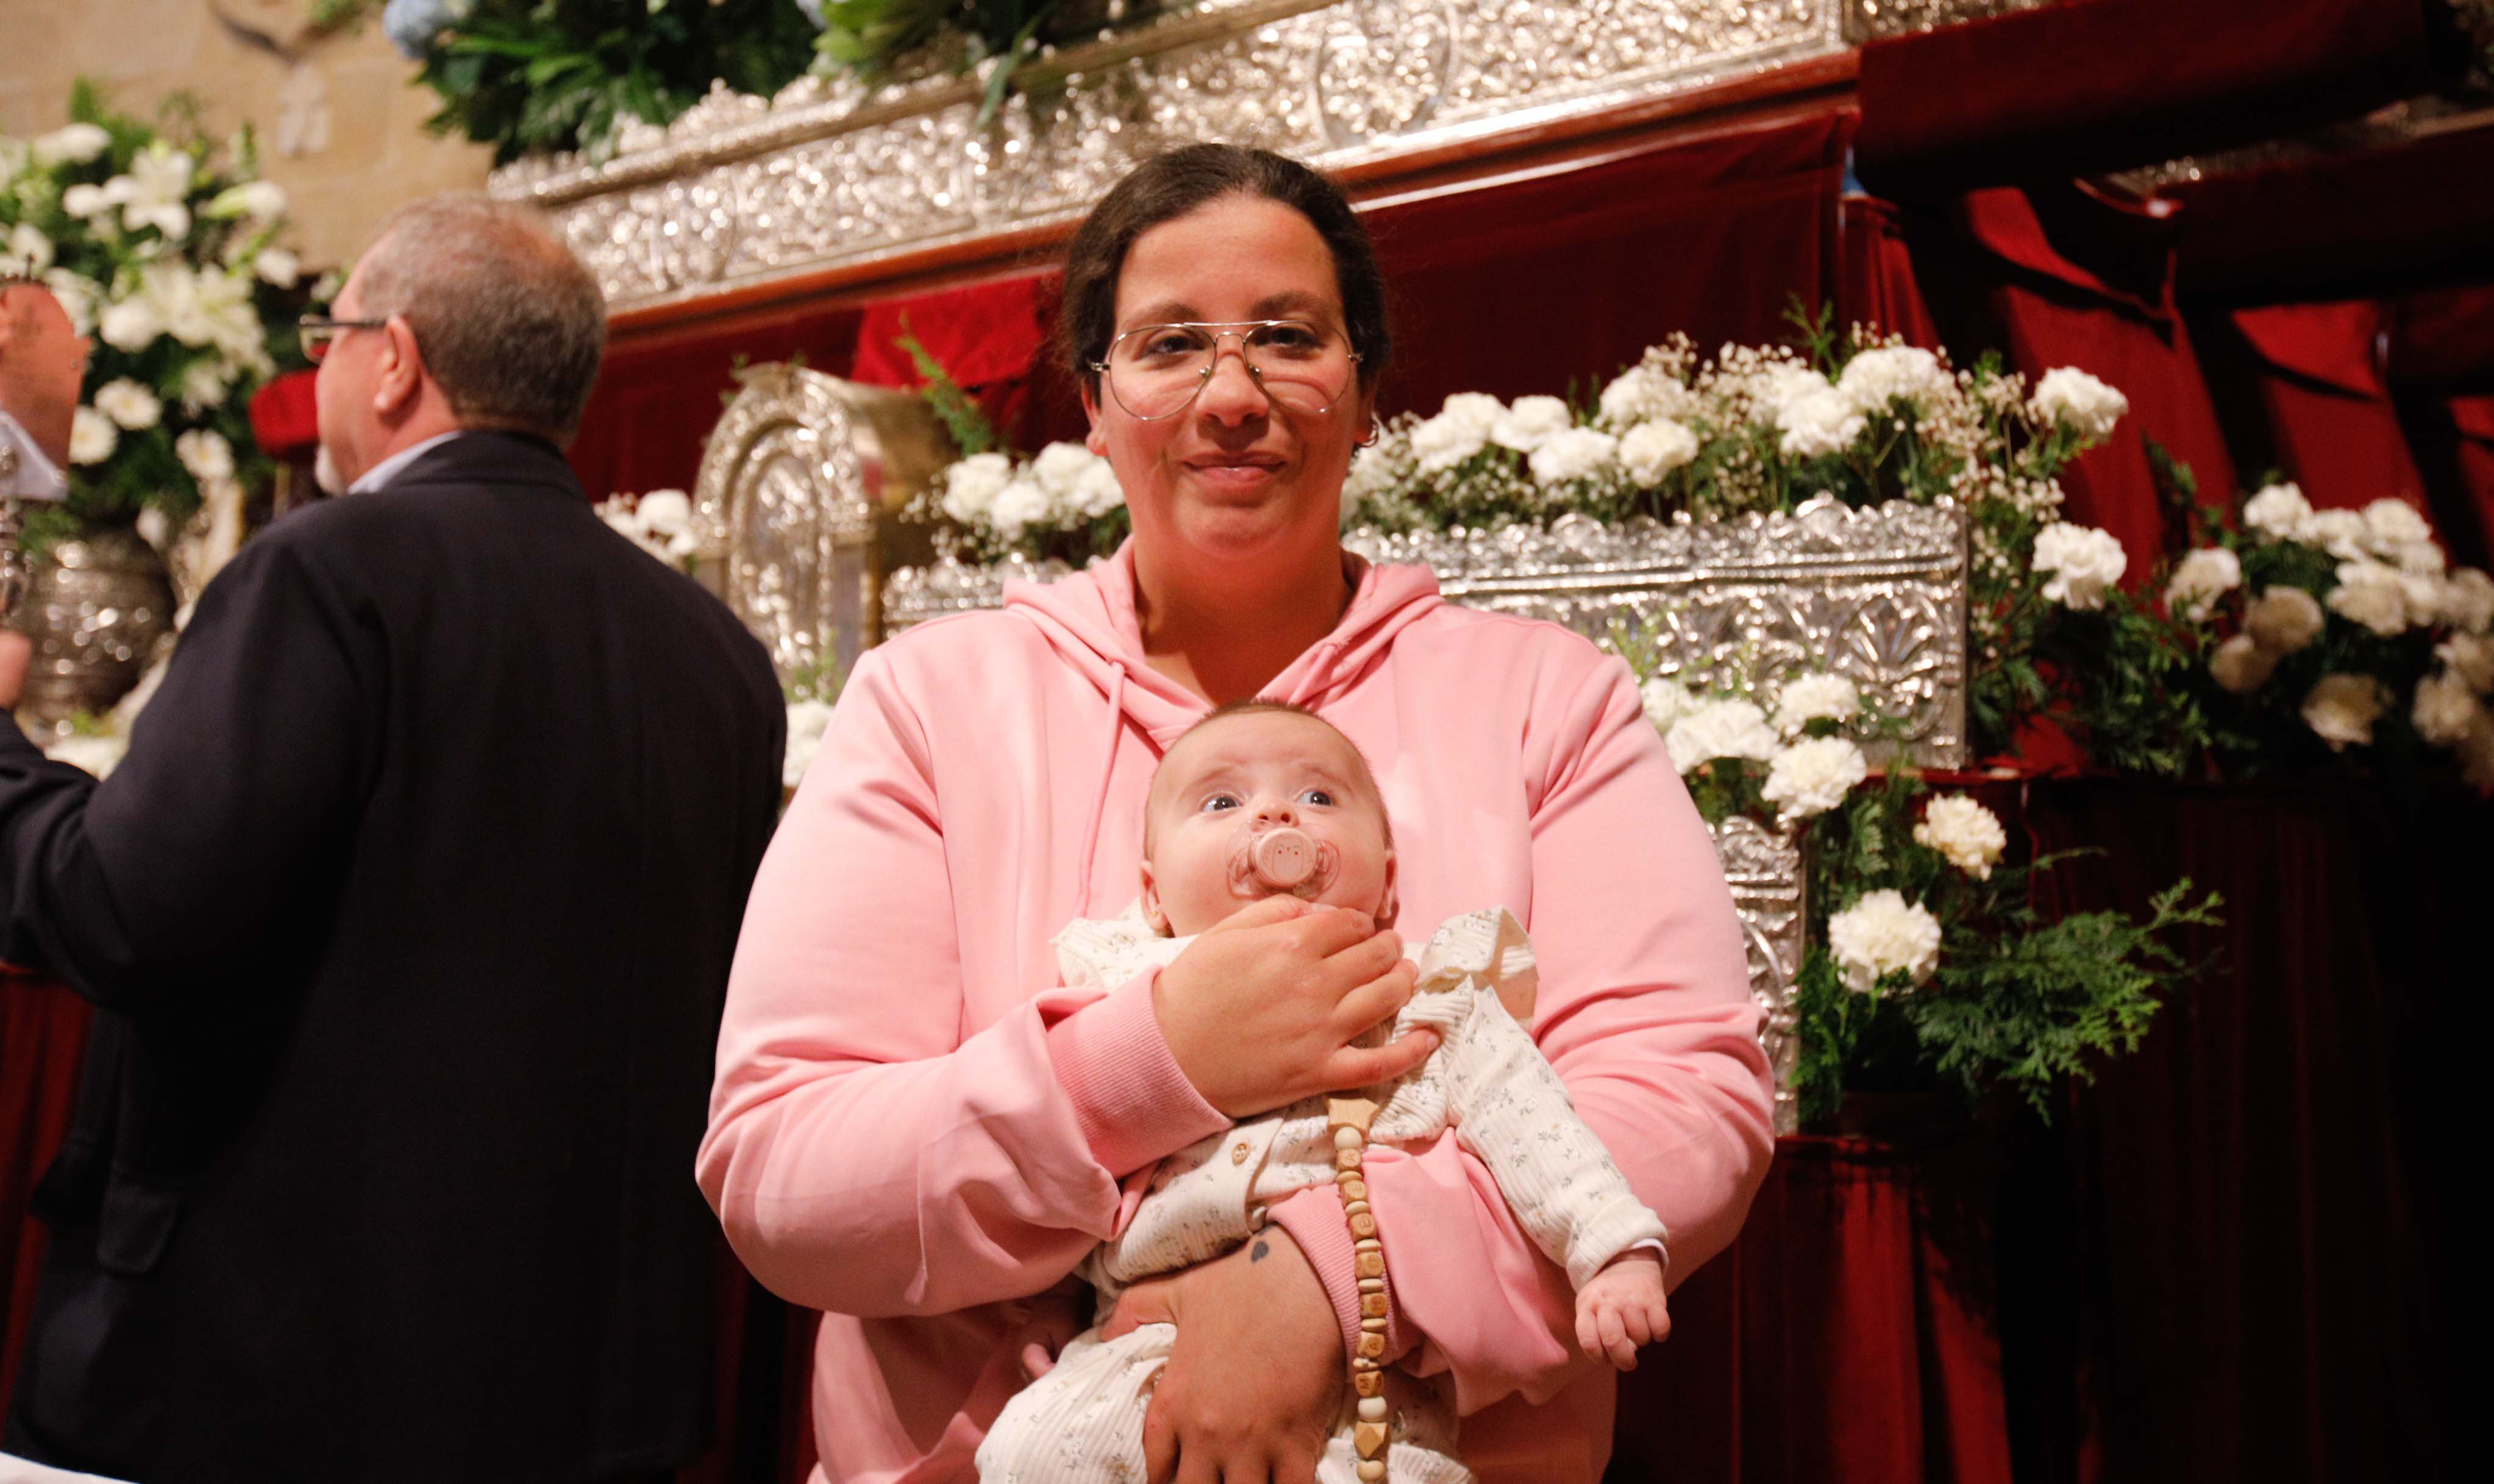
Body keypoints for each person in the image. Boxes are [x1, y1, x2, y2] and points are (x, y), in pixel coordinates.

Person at [700, 143, 1771, 1484]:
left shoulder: (1540, 698)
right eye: (1168, 347)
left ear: (1366, 389)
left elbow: (1682, 1093)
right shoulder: (931, 701)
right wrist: (1145, 1064)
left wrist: (1329, 1279)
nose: (1230, 395)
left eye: (1285, 336)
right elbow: (783, 1166)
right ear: (1092, 403)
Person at [0, 196, 787, 1483]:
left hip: (275, 1371)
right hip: (587, 1383)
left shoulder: (328, 570)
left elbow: (123, 909)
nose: (321, 369)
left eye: (330, 334)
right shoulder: (714, 653)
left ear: (394, 357)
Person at [976, 700, 1672, 1484]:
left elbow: (1533, 1120)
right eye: (1220, 802)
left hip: (1361, 1377)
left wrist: (1612, 1247)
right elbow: (1068, 1157)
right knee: (1022, 1450)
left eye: (1317, 797)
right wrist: (1050, 1294)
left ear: (1386, 883)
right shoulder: (1117, 1000)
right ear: (1154, 895)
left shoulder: (1425, 998)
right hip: (1129, 1350)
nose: (1274, 812)